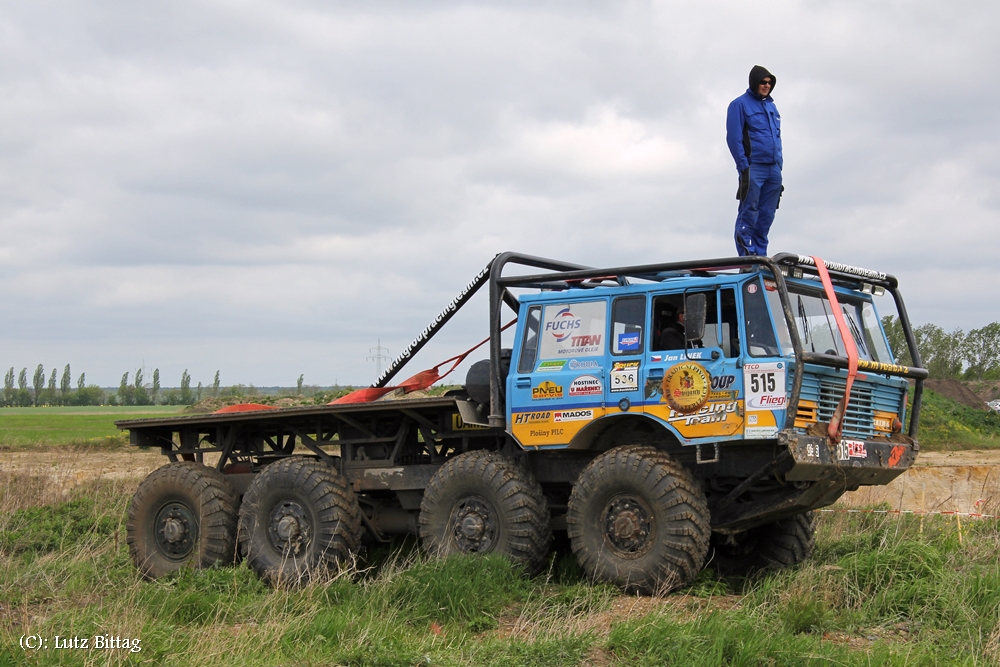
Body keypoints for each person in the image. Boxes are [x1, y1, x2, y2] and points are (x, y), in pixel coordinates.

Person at [727, 65, 783, 257]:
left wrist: (779, 166)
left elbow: (778, 137)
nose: (766, 86)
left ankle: (761, 257)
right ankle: (747, 258)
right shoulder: (739, 105)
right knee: (749, 212)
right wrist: (744, 167)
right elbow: (733, 138)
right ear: (754, 82)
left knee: (767, 214)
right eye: (763, 82)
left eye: (769, 83)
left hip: (773, 169)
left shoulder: (772, 107)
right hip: (754, 167)